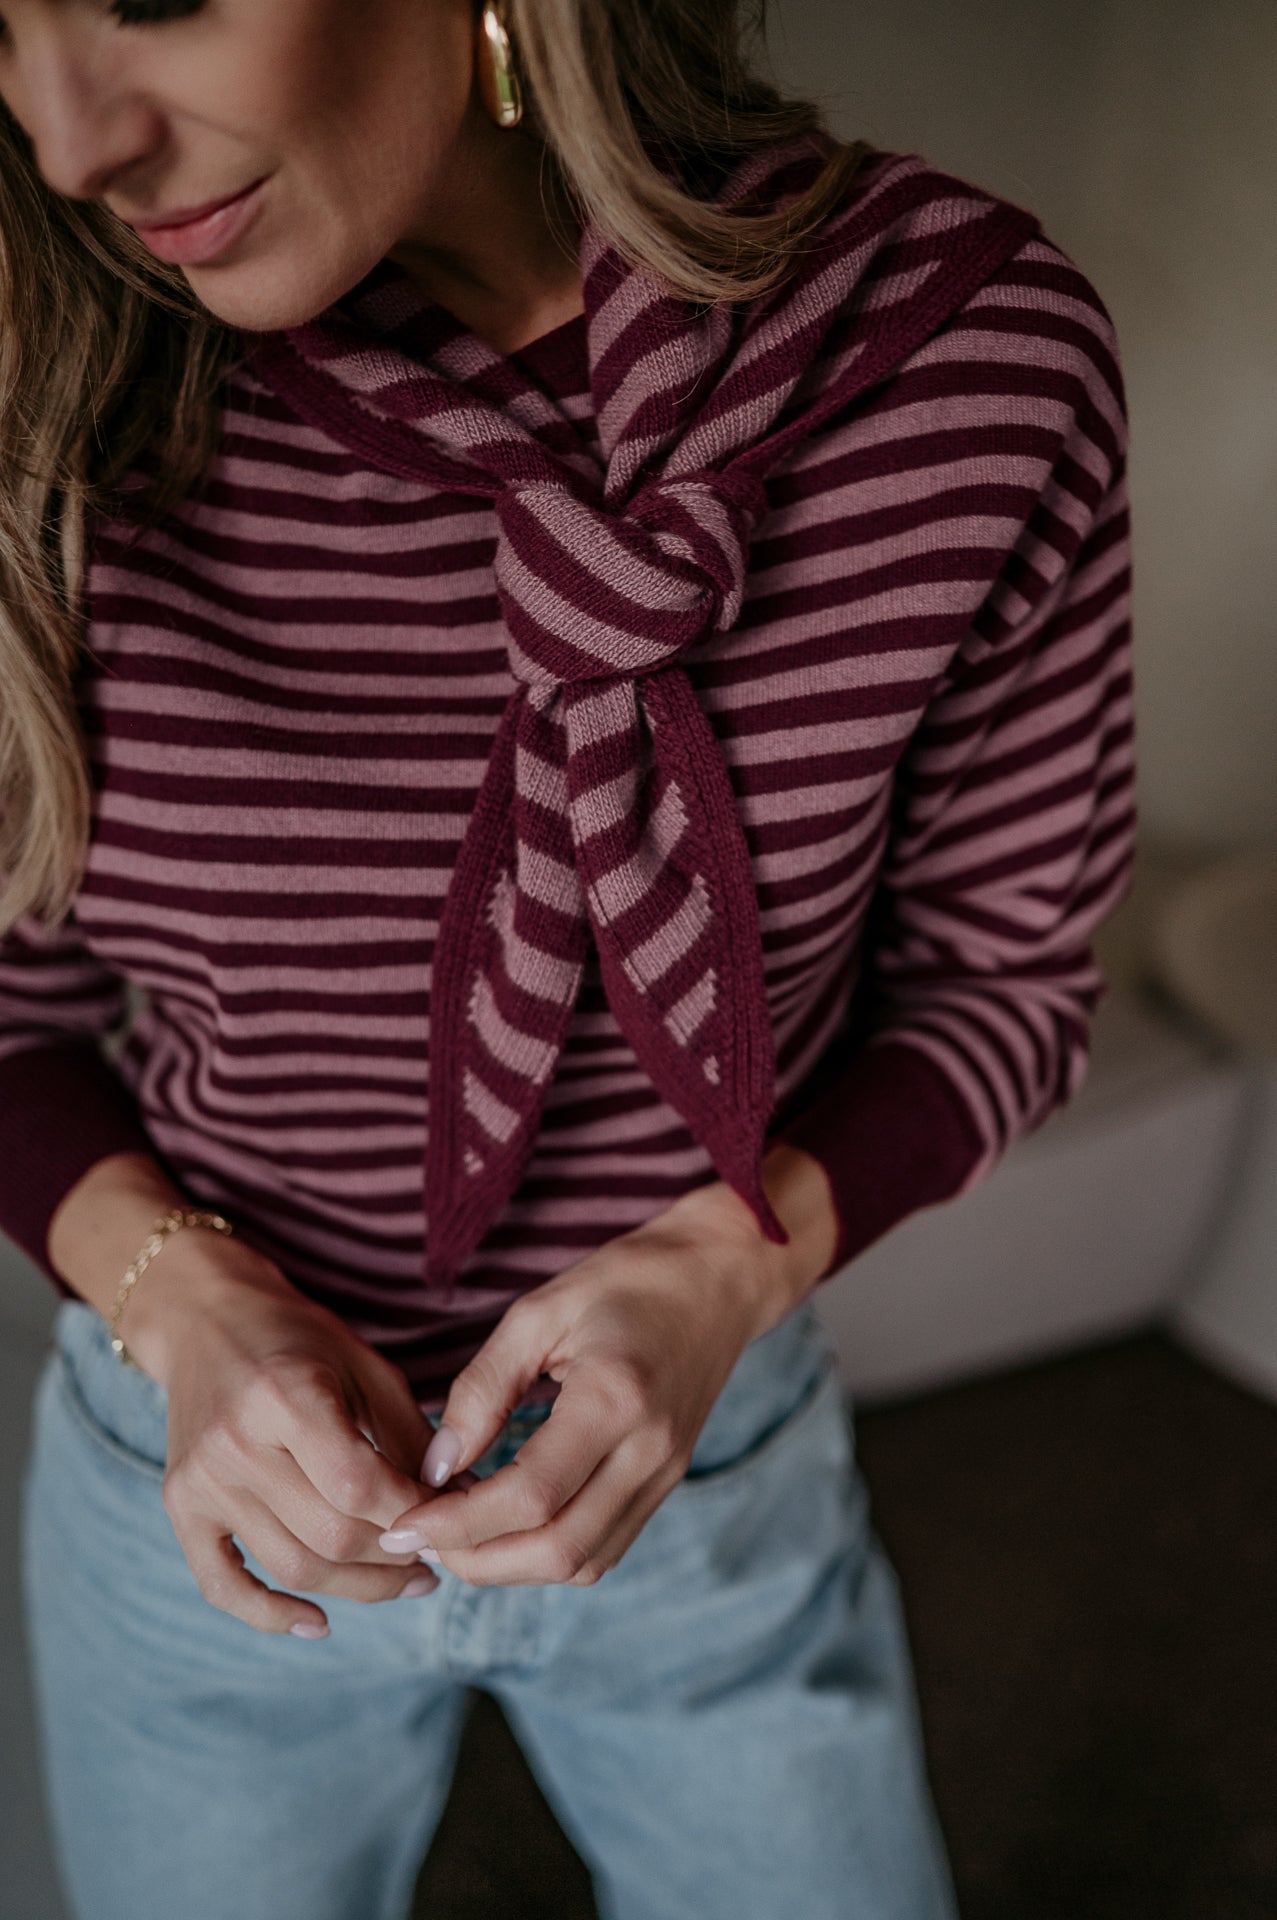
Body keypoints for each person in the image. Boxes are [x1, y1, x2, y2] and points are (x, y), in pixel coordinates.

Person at [0, 2, 1135, 1917]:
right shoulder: (42, 396)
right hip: (187, 1485)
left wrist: (714, 1276)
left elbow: (1006, 987)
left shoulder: (975, 363)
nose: (66, 142)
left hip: (717, 1456)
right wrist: (184, 1310)